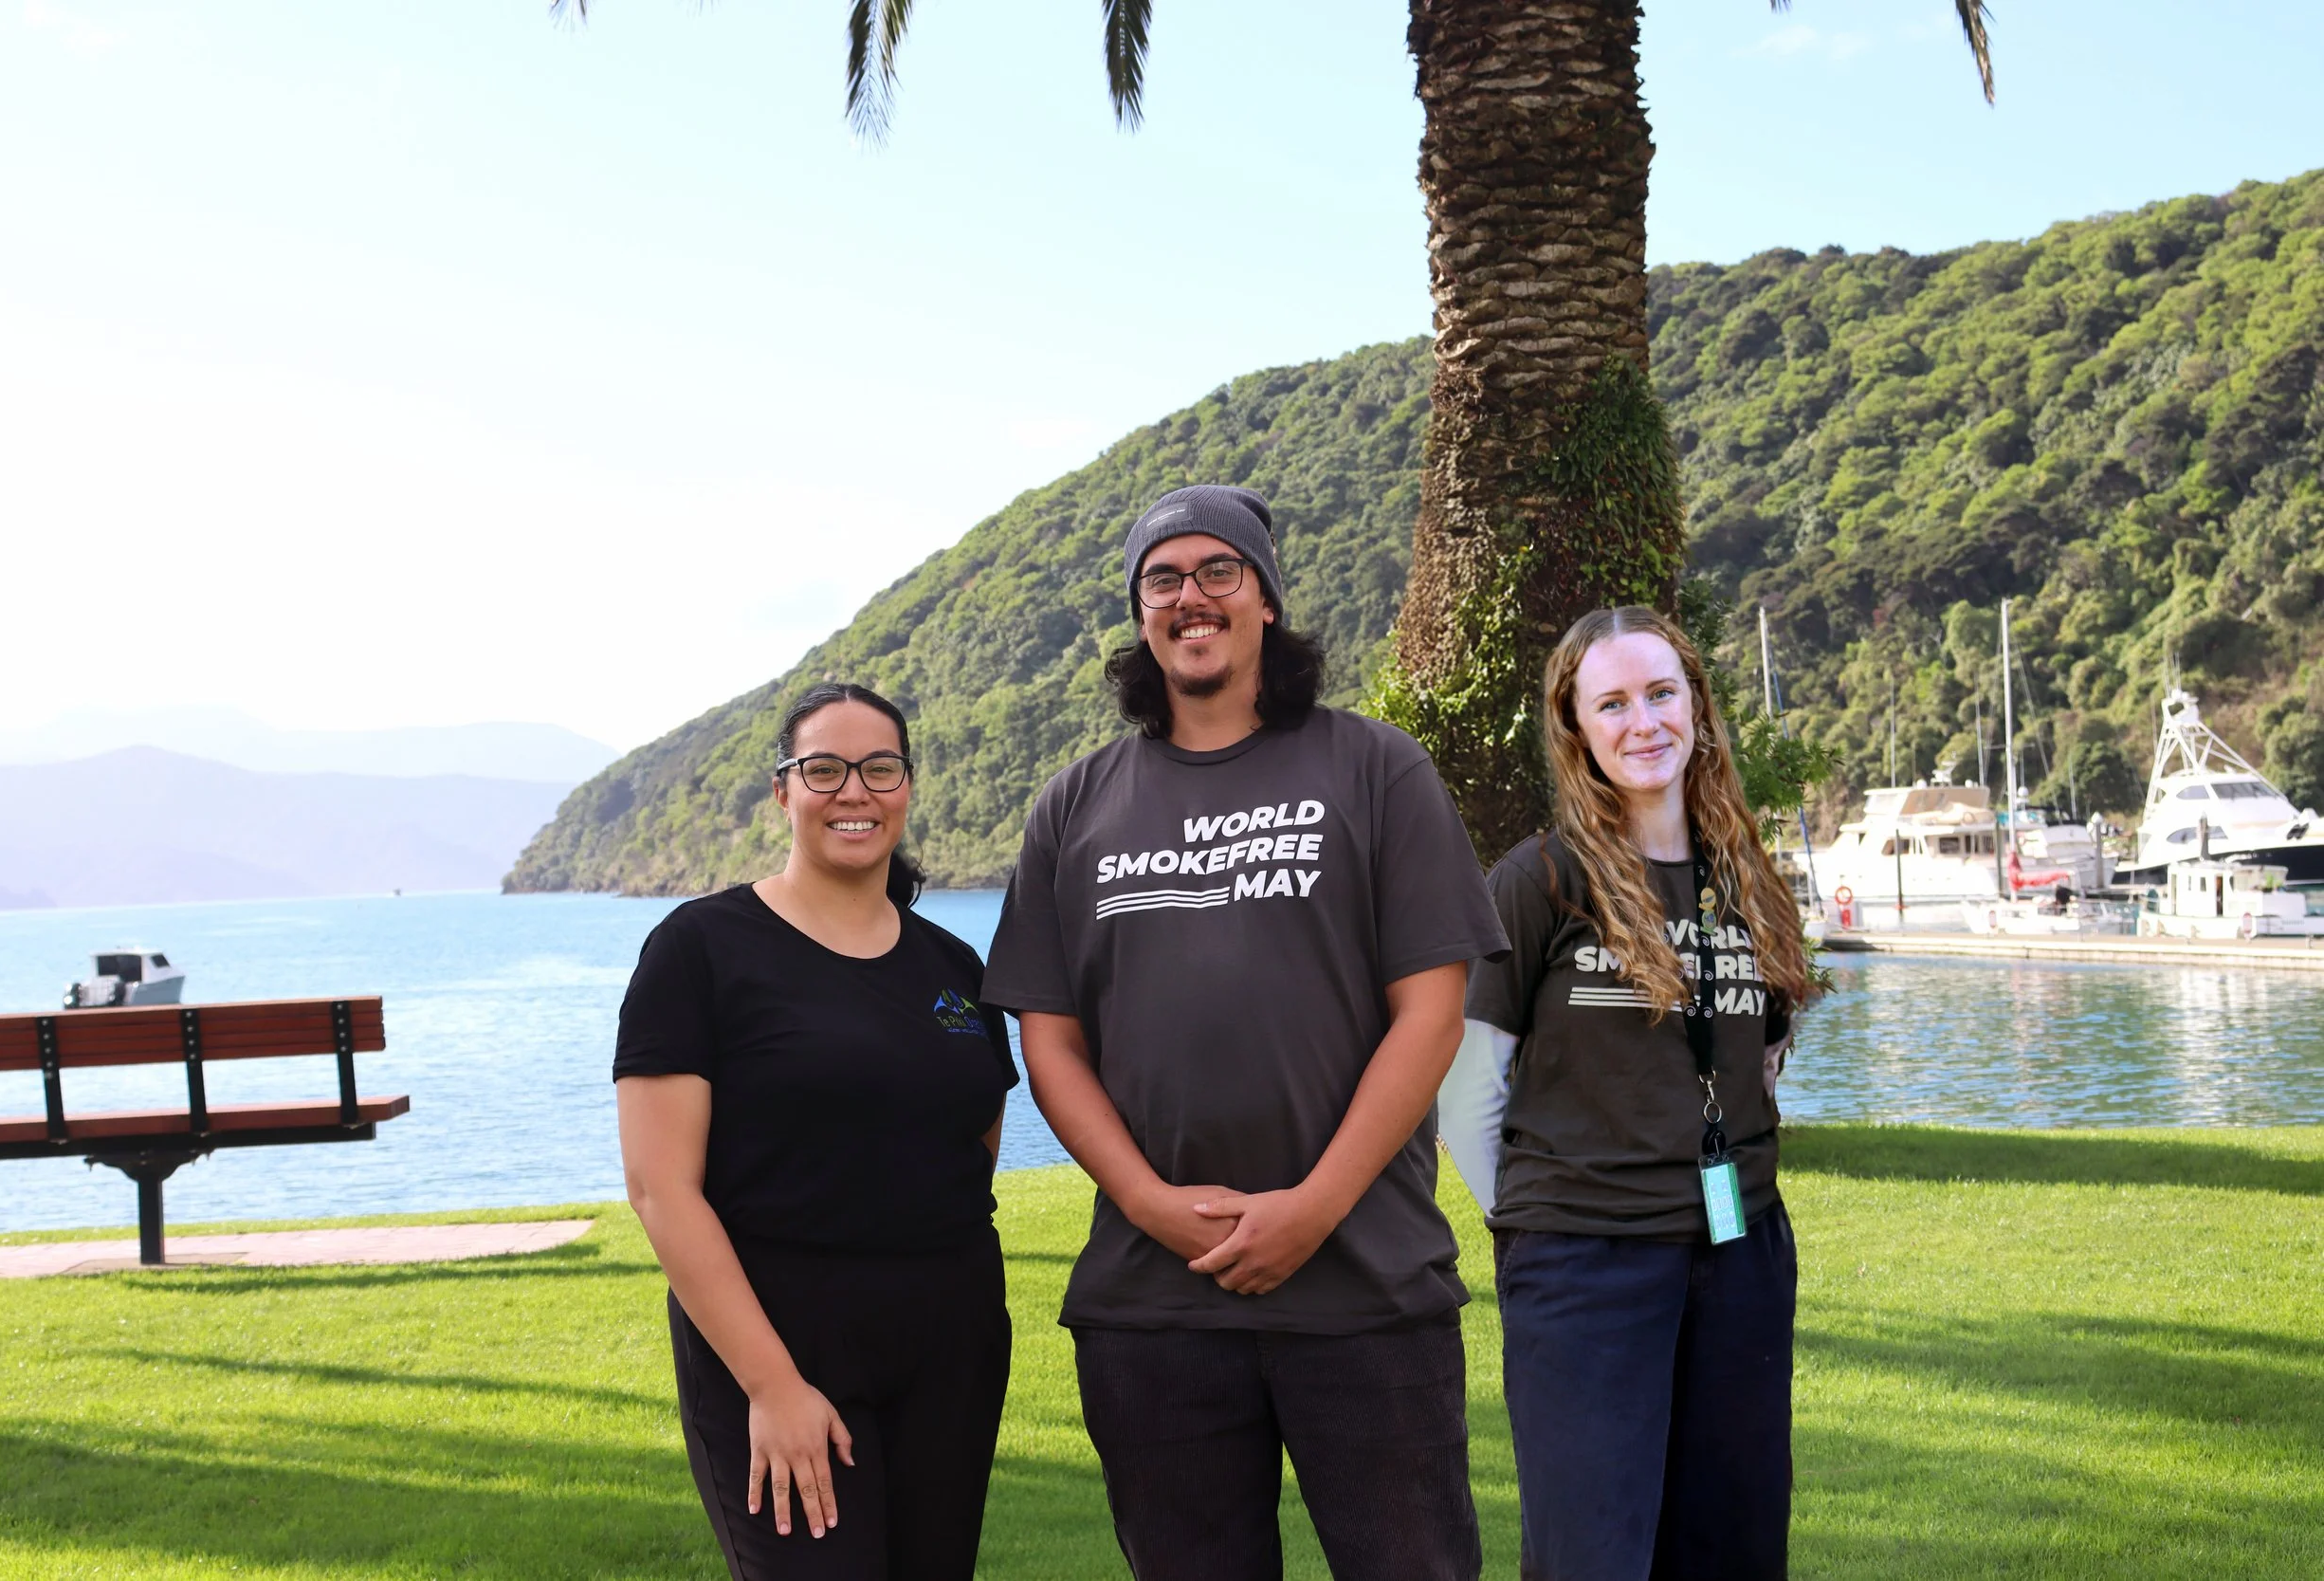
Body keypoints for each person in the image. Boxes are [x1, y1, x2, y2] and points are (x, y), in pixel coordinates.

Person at [981, 484, 1510, 1581]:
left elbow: (1431, 1010)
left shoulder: (1375, 768)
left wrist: (1313, 1207)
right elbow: (1050, 1038)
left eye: (1217, 570)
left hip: (1365, 1284)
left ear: (1264, 596)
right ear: (1140, 615)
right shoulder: (1074, 803)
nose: (1190, 597)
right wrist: (1144, 1201)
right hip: (1151, 1303)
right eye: (1161, 578)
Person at [1436, 605, 1822, 1581]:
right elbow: (1467, 1085)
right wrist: (1534, 1226)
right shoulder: (1541, 879)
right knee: (1592, 1550)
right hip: (1585, 1265)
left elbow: (1762, 1052)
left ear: (1695, 705)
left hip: (1737, 1255)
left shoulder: (1746, 875)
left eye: (1660, 692)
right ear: (1576, 727)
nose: (1641, 721)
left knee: (1731, 1542)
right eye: (1611, 702)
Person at [613, 682, 1019, 1581]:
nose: (854, 792)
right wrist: (770, 1383)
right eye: (824, 769)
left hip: (950, 1345)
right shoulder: (701, 948)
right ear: (783, 791)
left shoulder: (952, 966)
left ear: (907, 786)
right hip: (781, 1337)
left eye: (880, 768)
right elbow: (660, 1188)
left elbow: (975, 1137)